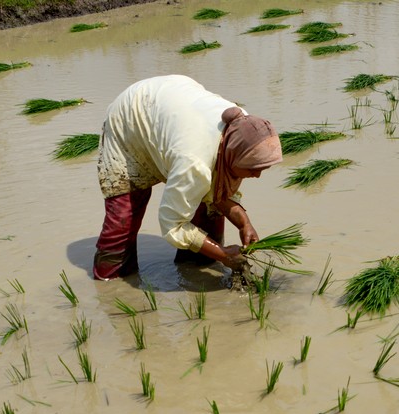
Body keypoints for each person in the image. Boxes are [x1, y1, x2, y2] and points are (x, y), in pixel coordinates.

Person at [93, 74, 283, 281]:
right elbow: (172, 225)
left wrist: (244, 224)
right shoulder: (194, 161)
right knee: (125, 214)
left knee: (209, 212)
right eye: (253, 169)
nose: (257, 175)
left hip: (173, 112)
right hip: (132, 118)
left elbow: (219, 192)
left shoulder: (247, 127)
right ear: (231, 155)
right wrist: (224, 255)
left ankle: (193, 268)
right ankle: (110, 283)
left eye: (262, 168)